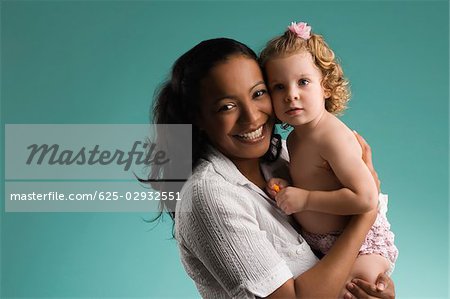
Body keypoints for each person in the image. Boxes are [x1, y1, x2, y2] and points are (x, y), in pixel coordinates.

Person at [149, 37, 395, 298]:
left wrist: (372, 286)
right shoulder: (209, 196)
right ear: (198, 118)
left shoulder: (280, 157)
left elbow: (335, 255)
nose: (252, 117)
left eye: (258, 93)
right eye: (227, 107)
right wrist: (366, 215)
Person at [259, 21, 398, 288]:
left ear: (326, 87)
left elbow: (366, 198)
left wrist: (307, 199)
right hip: (324, 245)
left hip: (361, 243)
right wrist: (288, 187)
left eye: (303, 82)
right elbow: (314, 179)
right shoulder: (296, 138)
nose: (291, 95)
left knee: (355, 289)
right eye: (279, 87)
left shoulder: (333, 137)